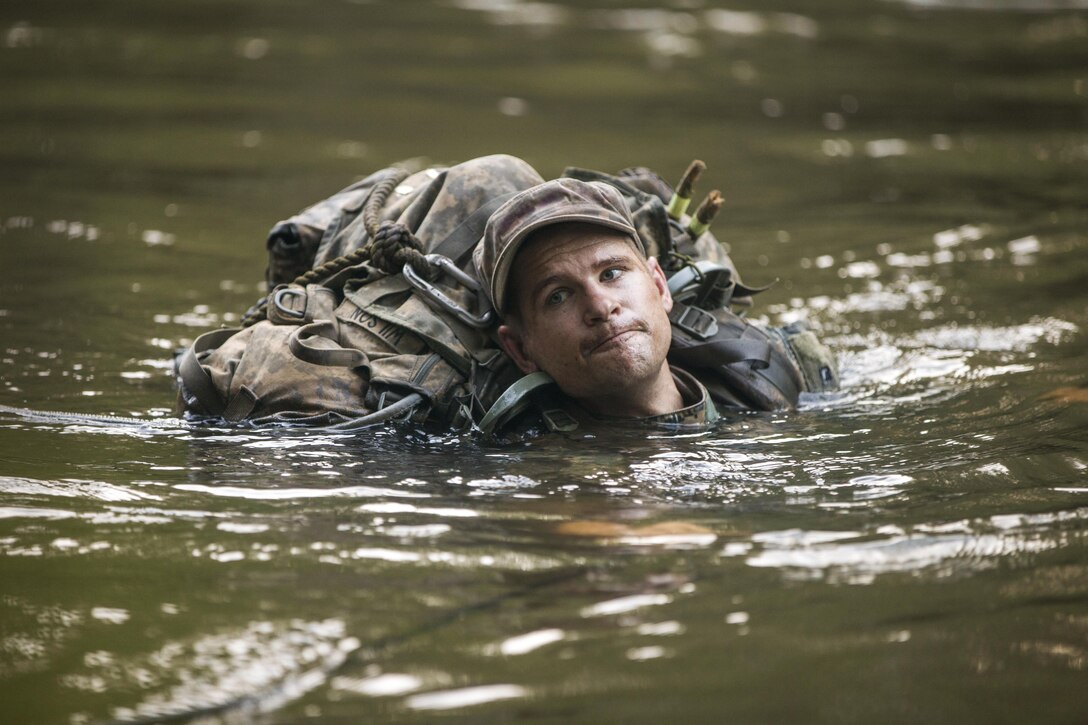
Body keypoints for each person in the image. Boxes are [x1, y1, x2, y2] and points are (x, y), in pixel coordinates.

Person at [474, 178, 718, 428]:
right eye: (558, 296)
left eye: (611, 273)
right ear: (521, 350)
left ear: (659, 287)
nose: (601, 307)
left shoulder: (752, 392)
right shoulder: (523, 461)